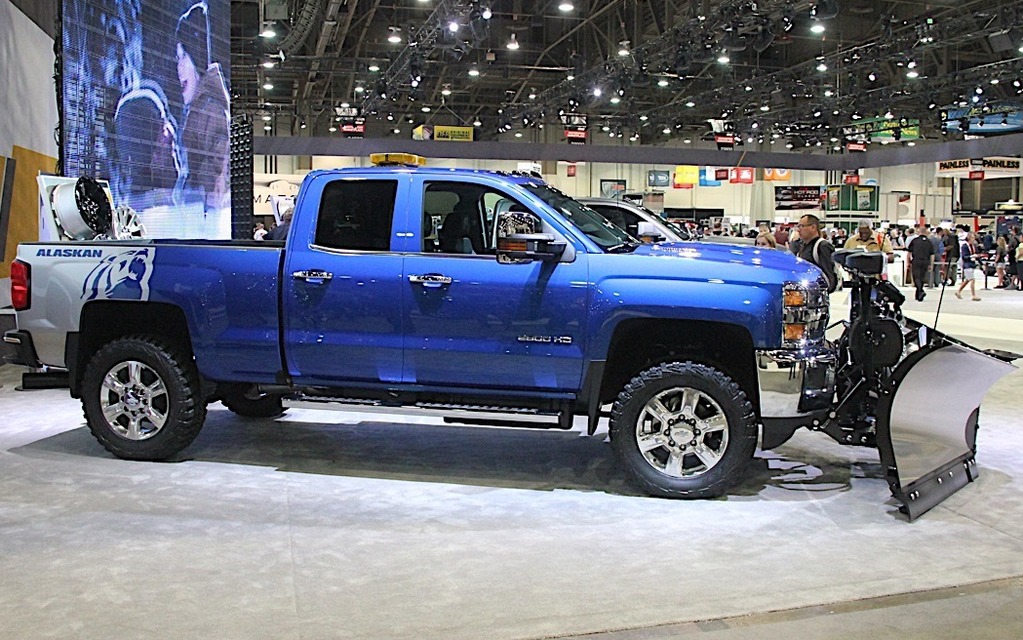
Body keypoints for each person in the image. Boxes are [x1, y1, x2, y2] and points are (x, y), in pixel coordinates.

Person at [175, 2, 231, 212]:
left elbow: (215, 170)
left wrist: (204, 206)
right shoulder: (200, 108)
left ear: (195, 58)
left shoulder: (209, 110)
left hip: (204, 216)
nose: (178, 67)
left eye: (182, 57)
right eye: (176, 58)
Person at [792, 214, 837, 292]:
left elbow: (829, 277)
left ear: (813, 227)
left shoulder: (822, 246)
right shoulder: (802, 246)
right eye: (798, 226)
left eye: (802, 226)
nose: (799, 230)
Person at [907, 225, 934, 301]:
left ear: (919, 232)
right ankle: (918, 295)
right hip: (925, 261)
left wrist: (908, 262)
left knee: (916, 277)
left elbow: (909, 253)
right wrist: (931, 264)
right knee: (921, 278)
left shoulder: (914, 241)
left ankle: (921, 291)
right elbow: (932, 254)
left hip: (916, 261)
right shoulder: (929, 242)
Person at [956, 232, 981, 301]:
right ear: (969, 237)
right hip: (967, 265)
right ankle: (973, 295)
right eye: (972, 237)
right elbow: (964, 256)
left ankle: (958, 291)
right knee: (972, 279)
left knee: (967, 279)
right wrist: (971, 256)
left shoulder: (974, 246)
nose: (974, 239)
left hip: (972, 264)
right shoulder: (964, 246)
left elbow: (977, 255)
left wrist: (981, 264)